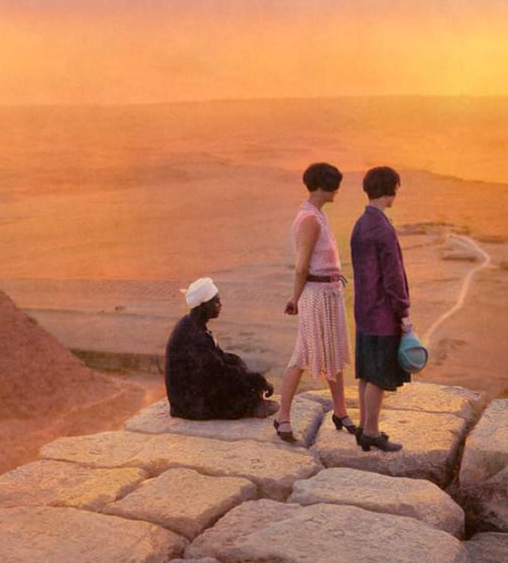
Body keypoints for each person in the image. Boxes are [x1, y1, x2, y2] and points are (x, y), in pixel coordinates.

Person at [274, 162, 356, 443]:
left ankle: (340, 412)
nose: (338, 191)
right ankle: (283, 417)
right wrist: (294, 298)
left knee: (330, 352)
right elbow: (301, 266)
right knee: (302, 356)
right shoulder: (309, 219)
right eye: (335, 185)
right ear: (323, 187)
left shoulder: (317, 215)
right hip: (317, 295)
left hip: (328, 294)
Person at [349, 165, 412, 452]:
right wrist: (403, 311)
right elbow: (393, 276)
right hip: (382, 314)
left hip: (363, 310)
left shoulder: (361, 223)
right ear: (391, 189)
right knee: (378, 376)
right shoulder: (382, 228)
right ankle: (372, 432)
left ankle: (364, 427)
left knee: (367, 374)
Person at [165, 277, 278, 420]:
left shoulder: (191, 324)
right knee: (238, 391)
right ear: (203, 305)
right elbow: (219, 373)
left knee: (235, 361)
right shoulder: (196, 337)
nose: (220, 305)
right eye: (216, 302)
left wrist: (245, 373)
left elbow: (219, 361)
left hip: (189, 394)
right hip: (188, 405)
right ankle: (252, 405)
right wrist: (257, 381)